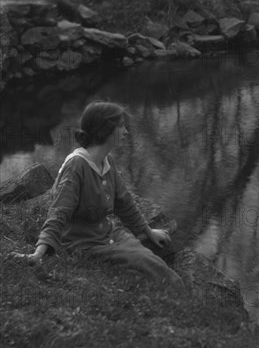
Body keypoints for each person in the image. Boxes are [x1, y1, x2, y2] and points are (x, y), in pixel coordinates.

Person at [12, 101, 185, 289]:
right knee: (148, 263)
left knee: (154, 260)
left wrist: (148, 231)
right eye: (121, 127)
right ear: (106, 131)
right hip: (83, 243)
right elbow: (58, 212)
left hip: (108, 233)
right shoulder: (77, 166)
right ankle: (182, 300)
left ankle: (181, 293)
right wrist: (38, 253)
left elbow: (124, 203)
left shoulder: (106, 161)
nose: (126, 132)